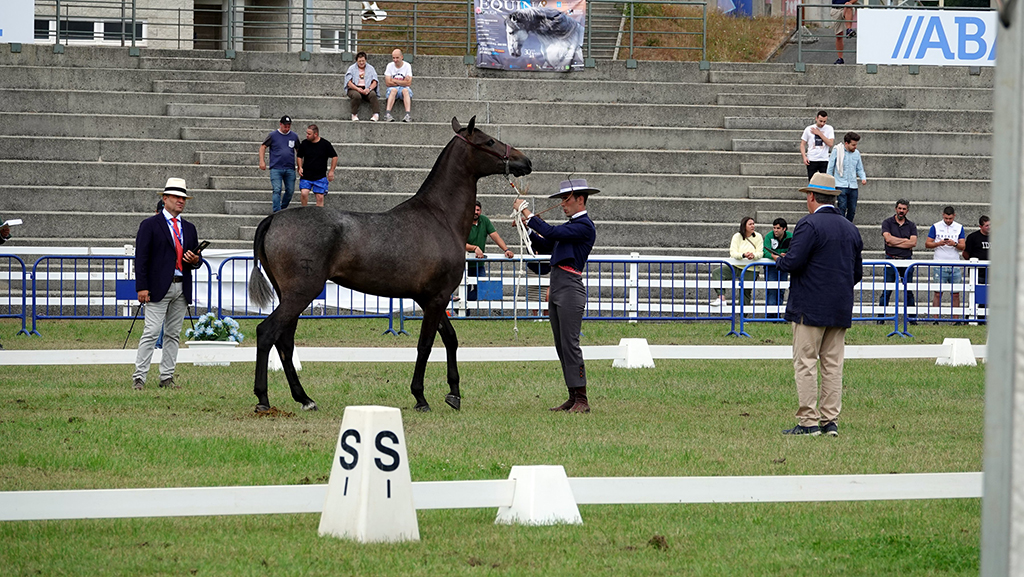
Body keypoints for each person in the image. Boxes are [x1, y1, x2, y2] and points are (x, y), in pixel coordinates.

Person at [776, 173, 863, 437]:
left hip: (810, 306)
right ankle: (830, 421)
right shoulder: (850, 228)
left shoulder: (809, 225)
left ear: (811, 196)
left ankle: (808, 421)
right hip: (839, 307)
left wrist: (780, 261)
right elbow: (856, 273)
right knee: (833, 365)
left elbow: (793, 262)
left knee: (806, 363)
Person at [512, 179, 598, 414]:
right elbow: (545, 242)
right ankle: (573, 396)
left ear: (580, 199)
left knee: (570, 344)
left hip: (570, 287)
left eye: (566, 199)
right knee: (561, 345)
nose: (562, 204)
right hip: (558, 285)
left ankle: (582, 398)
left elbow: (550, 231)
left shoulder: (584, 227)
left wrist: (527, 212)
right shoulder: (570, 228)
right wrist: (527, 227)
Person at [132, 178, 202, 391]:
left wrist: (195, 260)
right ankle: (139, 377)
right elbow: (141, 258)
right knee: (151, 332)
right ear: (165, 199)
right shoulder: (150, 225)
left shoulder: (189, 228)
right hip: (157, 287)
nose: (181, 201)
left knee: (173, 333)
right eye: (177, 197)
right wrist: (141, 287)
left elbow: (196, 260)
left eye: (183, 198)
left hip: (181, 286)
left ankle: (167, 376)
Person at [465, 200, 514, 302]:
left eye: (478, 210)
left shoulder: (484, 220)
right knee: (465, 288)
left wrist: (506, 249)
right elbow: (460, 243)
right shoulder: (464, 222)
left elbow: (495, 236)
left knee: (483, 288)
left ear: (481, 211)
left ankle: (465, 308)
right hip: (465, 264)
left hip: (479, 263)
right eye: (473, 209)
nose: (475, 212)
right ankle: (464, 313)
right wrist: (474, 248)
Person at [879, 199, 918, 324]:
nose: (901, 211)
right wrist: (905, 241)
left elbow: (913, 242)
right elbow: (888, 239)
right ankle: (881, 319)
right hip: (891, 260)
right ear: (896, 209)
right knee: (886, 290)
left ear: (907, 210)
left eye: (904, 209)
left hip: (906, 261)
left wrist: (894, 241)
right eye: (900, 208)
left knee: (908, 291)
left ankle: (912, 319)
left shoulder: (911, 225)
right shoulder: (887, 222)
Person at [709, 216, 763, 307]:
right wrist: (743, 255)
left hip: (750, 269)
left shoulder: (758, 236)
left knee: (745, 291)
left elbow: (760, 252)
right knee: (717, 273)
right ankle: (721, 297)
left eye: (753, 224)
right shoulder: (737, 236)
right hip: (735, 266)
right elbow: (733, 252)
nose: (752, 226)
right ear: (744, 225)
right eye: (750, 224)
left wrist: (753, 255)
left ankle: (743, 316)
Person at [926, 206, 965, 321]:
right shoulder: (936, 226)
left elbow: (963, 246)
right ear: (943, 215)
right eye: (947, 218)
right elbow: (927, 244)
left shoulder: (959, 227)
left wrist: (954, 244)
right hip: (939, 264)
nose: (948, 220)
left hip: (955, 264)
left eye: (950, 218)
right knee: (938, 293)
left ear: (954, 216)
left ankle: (956, 319)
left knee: (956, 294)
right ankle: (935, 319)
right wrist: (939, 243)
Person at [258, 115, 300, 213]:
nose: (287, 128)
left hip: (289, 167)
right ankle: (276, 211)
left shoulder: (294, 136)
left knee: (290, 190)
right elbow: (263, 147)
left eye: (288, 126)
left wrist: (300, 166)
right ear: (280, 124)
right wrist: (262, 161)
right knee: (277, 189)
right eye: (285, 126)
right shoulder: (273, 135)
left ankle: (283, 208)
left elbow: (299, 151)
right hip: (276, 167)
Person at [827, 131, 867, 222]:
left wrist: (863, 178)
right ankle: (841, 226)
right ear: (846, 143)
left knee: (852, 209)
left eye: (856, 144)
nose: (855, 147)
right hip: (840, 184)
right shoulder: (837, 150)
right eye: (853, 145)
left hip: (853, 185)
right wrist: (829, 182)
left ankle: (848, 225)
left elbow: (859, 168)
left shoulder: (856, 153)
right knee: (842, 207)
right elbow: (831, 167)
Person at [296, 124, 338, 208]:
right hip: (306, 175)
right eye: (307, 133)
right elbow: (299, 156)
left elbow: (334, 156)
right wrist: (300, 167)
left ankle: (318, 217)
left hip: (320, 176)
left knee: (320, 197)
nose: (307, 135)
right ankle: (304, 211)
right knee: (304, 193)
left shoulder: (325, 144)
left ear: (315, 134)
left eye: (309, 134)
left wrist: (331, 171)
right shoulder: (304, 143)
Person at [763, 217, 792, 317]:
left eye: (778, 228)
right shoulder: (768, 236)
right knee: (771, 290)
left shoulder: (790, 237)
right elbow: (765, 251)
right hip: (771, 267)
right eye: (774, 228)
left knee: (781, 290)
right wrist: (774, 257)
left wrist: (786, 255)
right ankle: (771, 316)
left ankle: (778, 315)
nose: (775, 230)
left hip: (783, 267)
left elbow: (794, 249)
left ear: (784, 229)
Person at [963, 215, 990, 314]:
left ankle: (984, 317)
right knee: (975, 294)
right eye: (987, 225)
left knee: (989, 294)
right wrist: (973, 263)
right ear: (980, 226)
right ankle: (971, 315)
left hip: (991, 272)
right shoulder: (973, 237)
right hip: (977, 272)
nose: (989, 227)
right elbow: (965, 253)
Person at [345, 51, 380, 122]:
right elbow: (348, 82)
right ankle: (354, 114)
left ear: (366, 60)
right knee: (356, 96)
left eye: (363, 61)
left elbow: (375, 81)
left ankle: (375, 114)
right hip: (354, 88)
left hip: (367, 87)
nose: (361, 63)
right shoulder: (351, 68)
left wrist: (369, 89)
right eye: (359, 61)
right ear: (356, 61)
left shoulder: (371, 68)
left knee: (373, 94)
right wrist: (357, 89)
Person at [800, 111, 834, 181]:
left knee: (824, 182)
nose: (822, 123)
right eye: (820, 121)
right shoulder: (808, 129)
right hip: (812, 159)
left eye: (824, 121)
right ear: (816, 118)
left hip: (824, 159)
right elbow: (802, 144)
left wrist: (819, 133)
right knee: (812, 182)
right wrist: (804, 157)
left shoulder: (829, 128)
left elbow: (830, 143)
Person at [384, 48, 413, 123]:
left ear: (402, 57)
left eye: (397, 58)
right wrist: (403, 81)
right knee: (393, 90)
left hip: (404, 89)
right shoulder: (390, 66)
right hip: (392, 89)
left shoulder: (407, 66)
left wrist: (393, 80)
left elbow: (408, 83)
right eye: (393, 58)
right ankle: (387, 114)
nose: (395, 60)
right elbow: (387, 83)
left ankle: (408, 115)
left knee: (406, 90)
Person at [832, 0, 857, 64]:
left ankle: (849, 29)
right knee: (838, 35)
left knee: (848, 6)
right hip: (836, 9)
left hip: (847, 8)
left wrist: (850, 2)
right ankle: (840, 58)